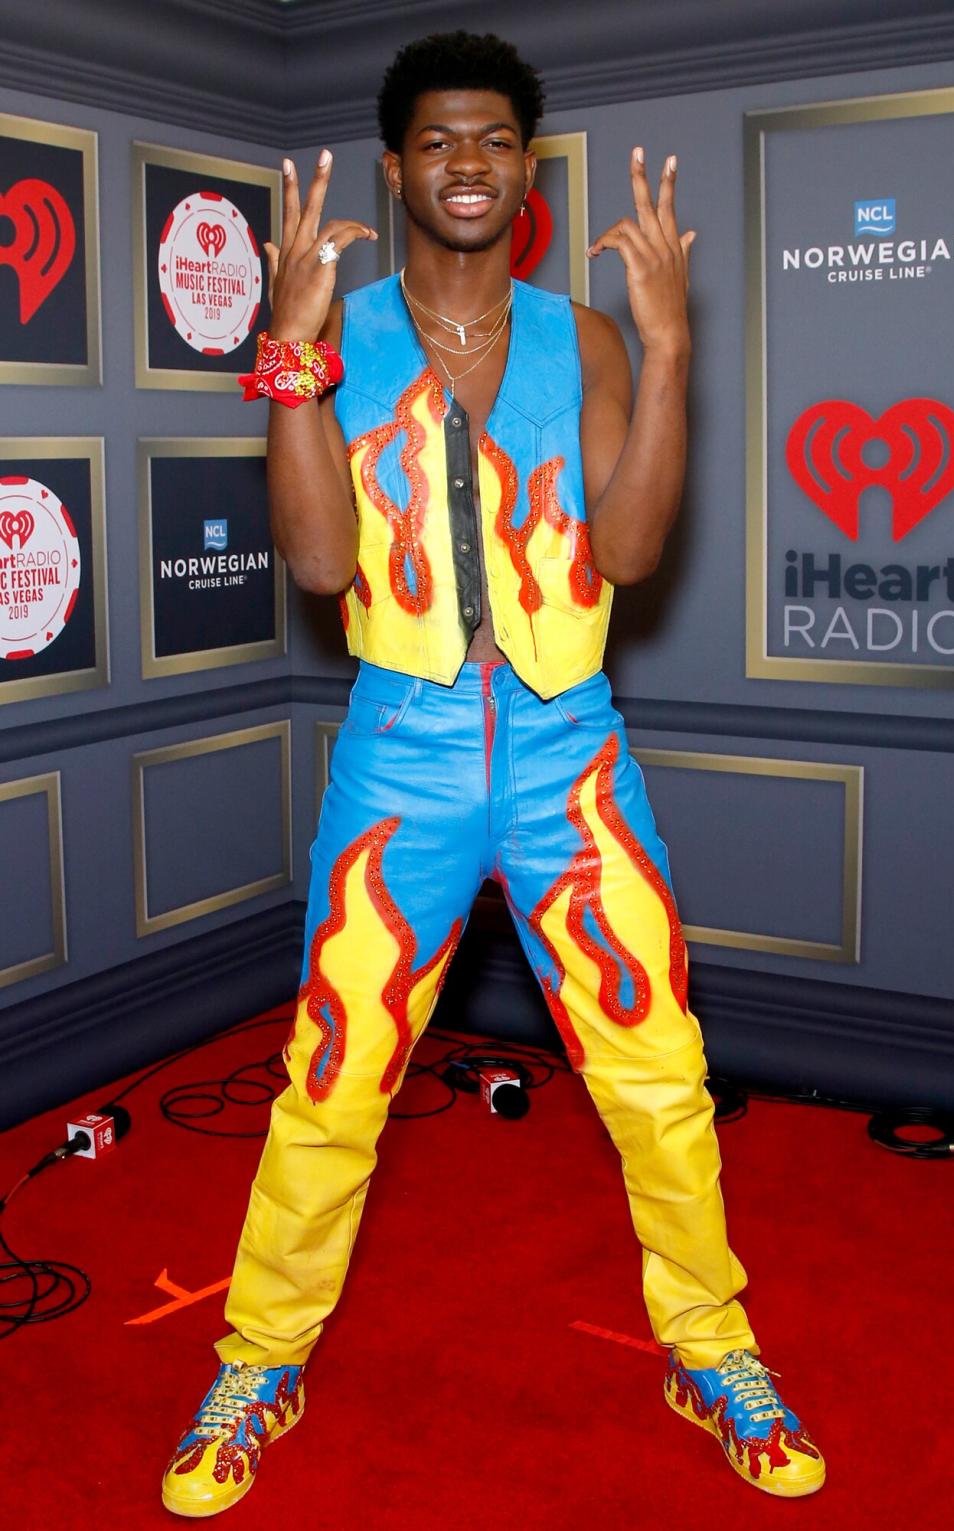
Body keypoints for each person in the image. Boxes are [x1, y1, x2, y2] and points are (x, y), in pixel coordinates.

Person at [161, 31, 825, 1518]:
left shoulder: (583, 338)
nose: (471, 161)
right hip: (397, 753)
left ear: (526, 169)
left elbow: (634, 554)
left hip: (570, 756)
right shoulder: (336, 327)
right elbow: (325, 562)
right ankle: (260, 1356)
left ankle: (709, 1346)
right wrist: (288, 348)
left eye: (499, 140)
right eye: (442, 140)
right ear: (396, 168)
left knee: (660, 1078)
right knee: (330, 1080)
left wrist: (667, 349)